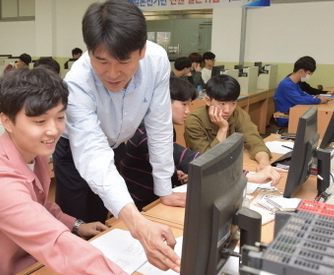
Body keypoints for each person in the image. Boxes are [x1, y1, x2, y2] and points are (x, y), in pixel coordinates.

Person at [0, 67, 219, 275]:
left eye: (60, 118)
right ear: (7, 121)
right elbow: (54, 242)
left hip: (33, 268)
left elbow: (39, 206)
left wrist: (75, 224)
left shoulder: (29, 153)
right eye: (39, 122)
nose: (53, 130)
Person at [53, 0, 184, 274]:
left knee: (102, 218)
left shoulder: (157, 61)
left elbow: (159, 124)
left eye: (123, 61)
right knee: (80, 224)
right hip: (73, 152)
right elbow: (91, 155)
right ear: (88, 53)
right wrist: (138, 225)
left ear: (142, 50)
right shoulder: (77, 81)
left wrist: (164, 188)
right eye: (101, 61)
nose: (112, 73)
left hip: (114, 147)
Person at [120, 77, 282, 210]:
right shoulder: (145, 134)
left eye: (189, 105)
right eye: (183, 104)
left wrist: (175, 172)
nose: (187, 111)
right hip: (144, 204)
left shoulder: (165, 127)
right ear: (162, 102)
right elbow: (194, 158)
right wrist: (251, 176)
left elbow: (168, 160)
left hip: (163, 193)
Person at [184, 74, 279, 176]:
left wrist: (264, 163)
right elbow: (207, 160)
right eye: (222, 104)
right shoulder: (194, 120)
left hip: (229, 166)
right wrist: (223, 129)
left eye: (233, 103)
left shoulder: (237, 113)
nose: (227, 110)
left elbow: (254, 140)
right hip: (205, 174)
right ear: (208, 101)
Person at [274, 56, 329, 127]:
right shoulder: (286, 84)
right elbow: (299, 100)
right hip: (287, 118)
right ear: (301, 71)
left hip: (295, 113)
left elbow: (302, 94)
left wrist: (314, 97)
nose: (309, 76)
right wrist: (319, 101)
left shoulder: (294, 83)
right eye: (309, 73)